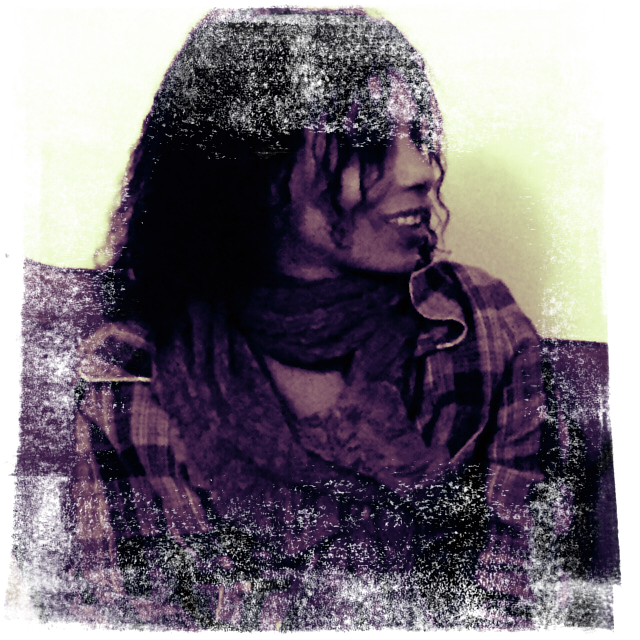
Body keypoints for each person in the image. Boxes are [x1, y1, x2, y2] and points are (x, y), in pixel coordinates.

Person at [69, 6, 574, 632]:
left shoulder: (479, 331)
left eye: (419, 138)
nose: (423, 171)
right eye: (368, 145)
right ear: (253, 170)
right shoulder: (130, 370)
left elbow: (518, 600)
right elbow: (127, 610)